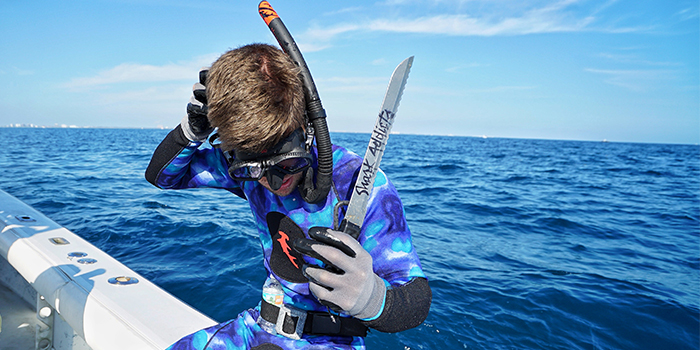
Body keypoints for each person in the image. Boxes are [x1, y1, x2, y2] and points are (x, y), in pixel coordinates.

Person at [145, 43, 431, 350]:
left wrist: (371, 298)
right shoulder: (244, 169)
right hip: (257, 326)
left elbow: (414, 298)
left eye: (288, 165)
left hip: (330, 341)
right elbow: (162, 176)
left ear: (307, 130)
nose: (273, 182)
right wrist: (192, 130)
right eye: (255, 170)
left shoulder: (355, 183)